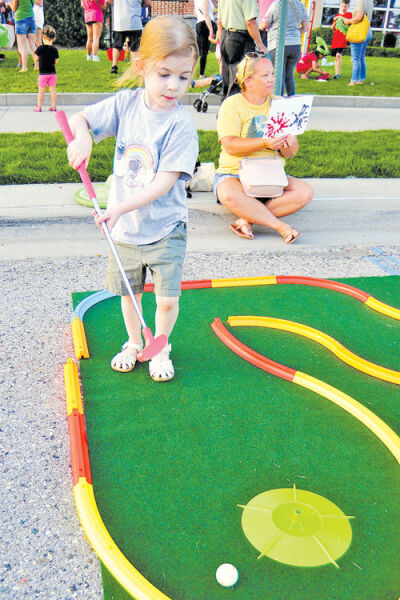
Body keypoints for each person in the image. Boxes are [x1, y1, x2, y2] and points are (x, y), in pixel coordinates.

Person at [66, 15, 199, 382]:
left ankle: (161, 344)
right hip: (124, 230)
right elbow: (80, 119)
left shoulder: (181, 124)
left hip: (164, 228)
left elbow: (163, 182)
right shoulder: (125, 105)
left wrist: (118, 207)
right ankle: (134, 342)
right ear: (142, 67)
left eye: (184, 77)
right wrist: (84, 139)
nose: (174, 85)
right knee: (130, 294)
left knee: (167, 298)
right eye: (164, 73)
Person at [214, 53, 312, 243]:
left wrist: (290, 145)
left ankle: (246, 219)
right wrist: (264, 142)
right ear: (248, 80)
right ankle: (281, 227)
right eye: (265, 75)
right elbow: (230, 145)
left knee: (305, 192)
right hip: (235, 173)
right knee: (227, 193)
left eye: (272, 74)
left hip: (269, 174)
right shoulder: (232, 104)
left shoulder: (280, 104)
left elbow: (290, 154)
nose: (272, 79)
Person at [217, 0, 268, 99]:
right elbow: (250, 22)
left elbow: (219, 22)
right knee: (239, 80)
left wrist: (219, 45)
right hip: (241, 38)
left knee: (227, 80)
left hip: (226, 35)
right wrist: (260, 44)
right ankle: (234, 111)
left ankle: (224, 110)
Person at [261, 0, 310, 96]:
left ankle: (278, 101)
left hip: (277, 44)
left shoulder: (276, 5)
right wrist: (294, 35)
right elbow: (306, 27)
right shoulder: (301, 6)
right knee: (289, 75)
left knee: (279, 76)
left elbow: (264, 25)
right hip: (295, 45)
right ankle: (292, 97)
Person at [337, 0, 373, 85]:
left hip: (359, 32)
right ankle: (361, 79)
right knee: (361, 57)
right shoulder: (370, 1)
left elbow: (358, 18)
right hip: (367, 31)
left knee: (356, 59)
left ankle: (353, 80)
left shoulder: (361, 1)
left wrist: (346, 21)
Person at [107, 0, 148, 74]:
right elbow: (148, 3)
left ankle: (114, 66)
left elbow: (108, 1)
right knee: (135, 48)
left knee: (117, 46)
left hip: (119, 22)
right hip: (135, 22)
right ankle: (135, 68)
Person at [33, 24, 58, 111]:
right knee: (52, 90)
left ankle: (39, 107)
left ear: (43, 37)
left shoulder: (40, 49)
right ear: (53, 38)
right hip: (53, 74)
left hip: (43, 74)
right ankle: (53, 106)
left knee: (41, 91)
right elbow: (56, 61)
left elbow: (36, 59)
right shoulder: (54, 49)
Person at [6, 0, 36, 72]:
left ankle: (24, 67)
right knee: (32, 44)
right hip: (31, 18)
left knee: (23, 46)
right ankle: (37, 65)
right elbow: (33, 4)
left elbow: (14, 9)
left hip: (21, 19)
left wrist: (9, 4)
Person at [194, 0, 217, 78]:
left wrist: (213, 12)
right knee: (204, 51)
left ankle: (191, 70)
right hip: (205, 24)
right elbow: (207, 15)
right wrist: (211, 30)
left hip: (199, 23)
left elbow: (195, 14)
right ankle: (201, 74)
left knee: (200, 51)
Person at [330, 0, 352, 79]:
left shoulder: (349, 15)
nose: (343, 8)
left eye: (345, 6)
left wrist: (340, 17)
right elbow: (332, 28)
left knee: (338, 55)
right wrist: (334, 23)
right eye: (342, 6)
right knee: (336, 56)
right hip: (335, 38)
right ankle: (336, 73)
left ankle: (337, 74)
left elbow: (347, 22)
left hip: (343, 38)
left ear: (348, 6)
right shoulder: (337, 15)